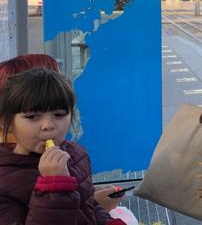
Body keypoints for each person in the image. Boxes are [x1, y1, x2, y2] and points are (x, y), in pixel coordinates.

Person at [0, 55, 126, 214]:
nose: (48, 125)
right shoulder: (6, 180)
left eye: (59, 114)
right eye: (33, 116)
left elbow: (87, 209)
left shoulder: (77, 154)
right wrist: (55, 185)